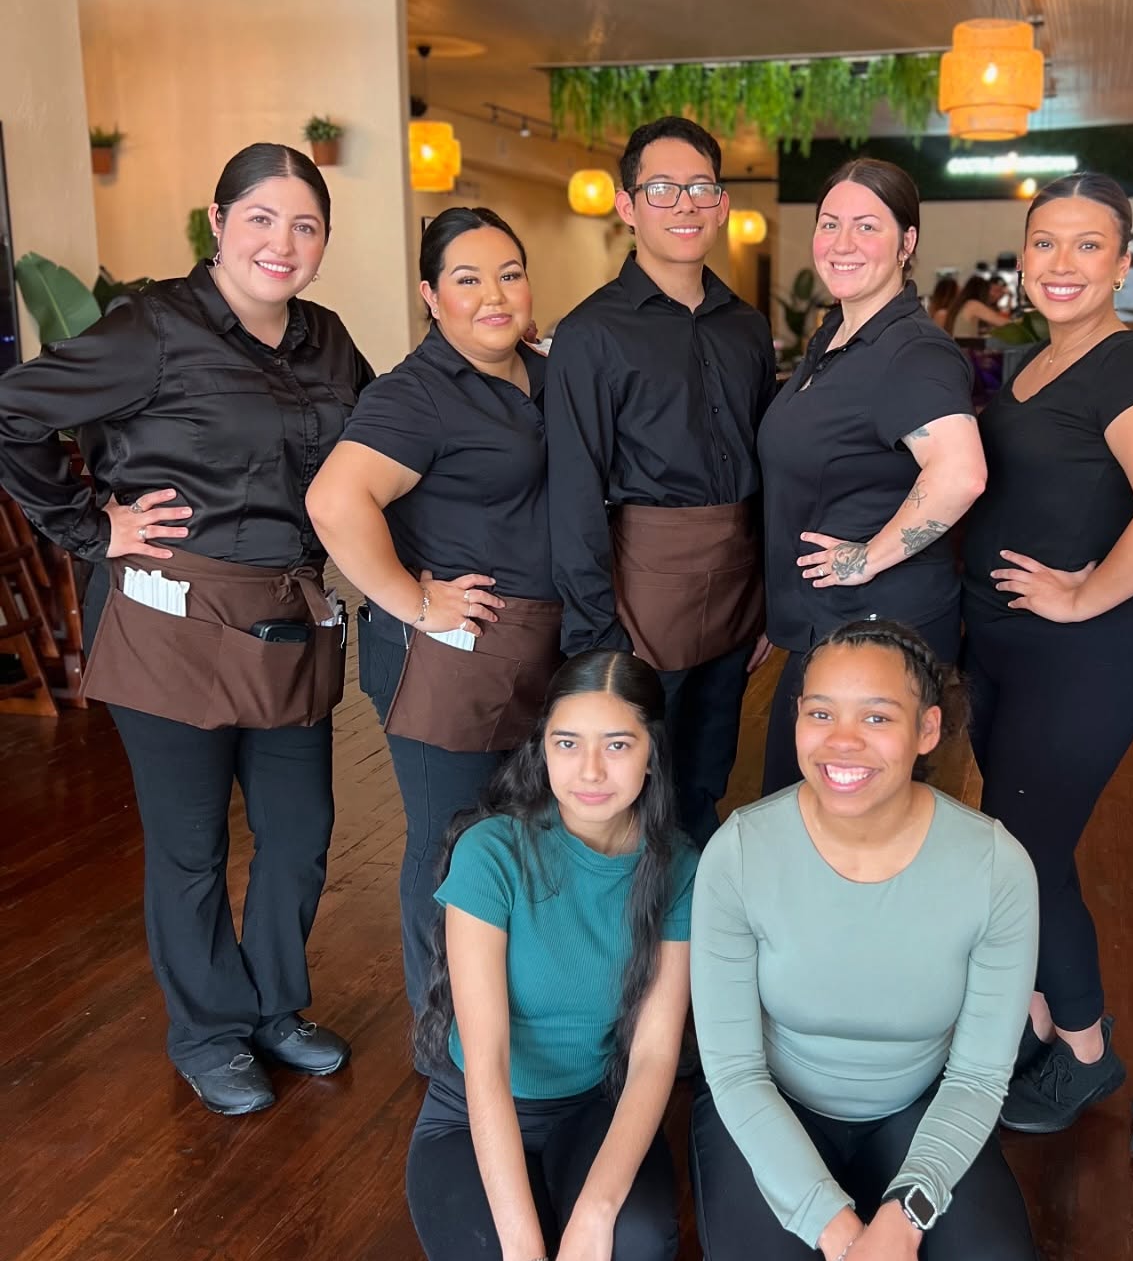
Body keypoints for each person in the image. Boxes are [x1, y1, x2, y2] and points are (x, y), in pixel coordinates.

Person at [0, 144, 371, 1115]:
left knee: (299, 833)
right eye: (261, 218)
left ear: (324, 242)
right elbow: (13, 413)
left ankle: (277, 1009)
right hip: (171, 619)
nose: (281, 243)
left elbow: (386, 445)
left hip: (288, 618)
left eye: (305, 225)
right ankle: (209, 1032)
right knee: (192, 844)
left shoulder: (329, 342)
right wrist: (92, 525)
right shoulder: (151, 329)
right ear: (219, 222)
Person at [689, 619, 1049, 1261]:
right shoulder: (741, 853)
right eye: (819, 713)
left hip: (916, 1107)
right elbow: (734, 1070)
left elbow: (981, 1074)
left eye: (876, 717)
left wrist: (904, 1221)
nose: (840, 743)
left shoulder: (993, 868)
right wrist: (845, 1235)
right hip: (772, 1104)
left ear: (927, 730)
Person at [962, 172, 1133, 1132]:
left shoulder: (1124, 368)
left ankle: (1087, 1053)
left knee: (1025, 857)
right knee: (1021, 845)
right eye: (1044, 244)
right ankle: (1032, 1024)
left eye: (1087, 246)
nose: (1061, 264)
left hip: (1079, 659)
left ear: (1121, 264)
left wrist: (1085, 593)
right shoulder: (1029, 364)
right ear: (1023, 257)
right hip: (1005, 652)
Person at [406, 652, 696, 1261]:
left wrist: (596, 1219)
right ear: (542, 748)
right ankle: (520, 1242)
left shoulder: (680, 868)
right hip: (472, 1117)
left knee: (635, 1244)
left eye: (618, 744)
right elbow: (488, 1068)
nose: (590, 770)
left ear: (653, 751)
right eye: (567, 743)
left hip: (590, 1105)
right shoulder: (492, 852)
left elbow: (657, 1055)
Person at [306, 208, 560, 1018]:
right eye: (468, 279)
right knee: (452, 838)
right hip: (451, 653)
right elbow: (336, 500)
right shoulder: (416, 394)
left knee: (521, 834)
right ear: (430, 295)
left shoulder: (543, 374)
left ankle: (511, 1006)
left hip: (538, 644)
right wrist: (415, 600)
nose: (494, 295)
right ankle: (441, 1024)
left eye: (510, 274)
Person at [545, 117, 775, 848]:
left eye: (702, 187)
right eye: (664, 188)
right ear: (628, 205)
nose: (685, 204)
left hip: (739, 588)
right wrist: (595, 632)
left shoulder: (745, 327)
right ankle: (635, 954)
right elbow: (575, 484)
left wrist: (771, 597)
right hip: (641, 590)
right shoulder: (593, 331)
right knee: (638, 790)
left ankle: (695, 944)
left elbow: (768, 467)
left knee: (709, 776)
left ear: (723, 202)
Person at [757, 158, 985, 793]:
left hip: (875, 638)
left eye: (867, 225)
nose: (843, 243)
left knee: (851, 827)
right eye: (830, 224)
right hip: (826, 630)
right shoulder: (836, 337)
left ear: (907, 242)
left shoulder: (912, 351)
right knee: (802, 817)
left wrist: (868, 558)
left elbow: (961, 472)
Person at [952, 272, 1010, 339]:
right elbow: (1003, 323)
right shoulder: (973, 305)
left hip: (961, 345)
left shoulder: (965, 304)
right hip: (965, 347)